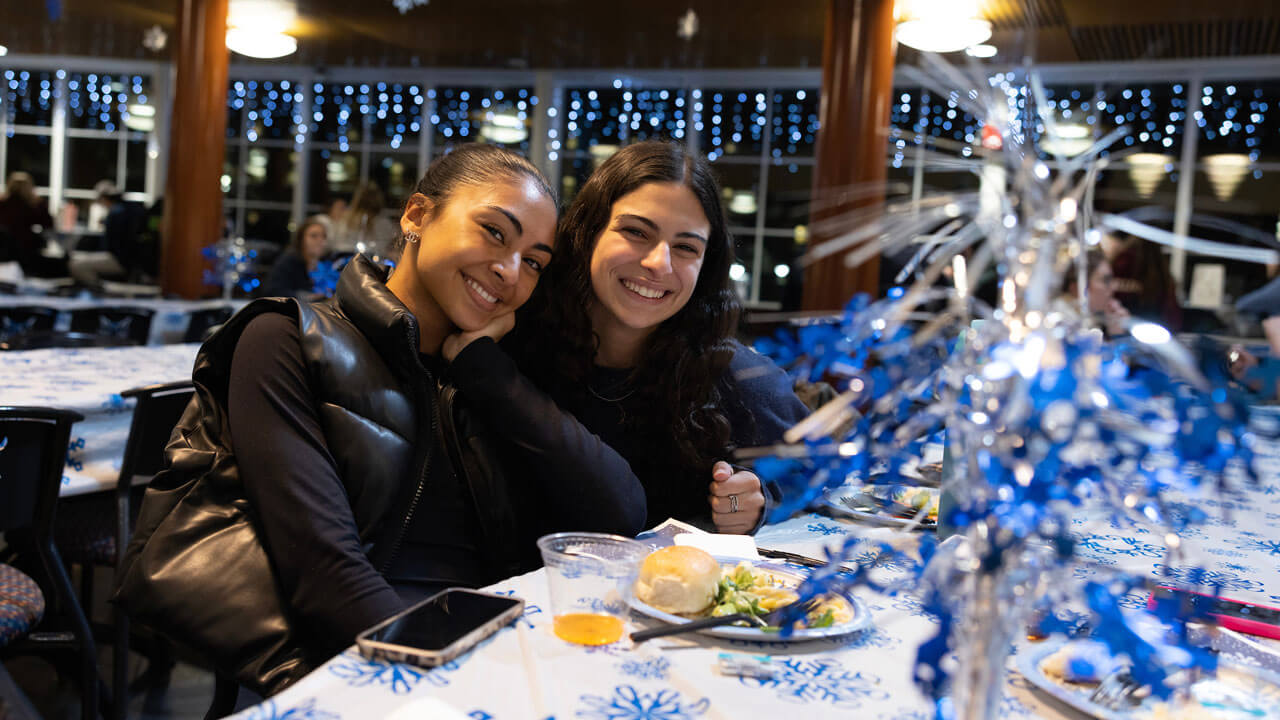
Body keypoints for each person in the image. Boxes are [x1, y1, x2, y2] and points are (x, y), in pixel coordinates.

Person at [120, 144, 646, 681]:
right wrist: (471, 680)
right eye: (493, 232)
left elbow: (619, 513)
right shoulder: (288, 339)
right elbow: (327, 580)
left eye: (533, 262)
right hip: (364, 662)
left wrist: (485, 370)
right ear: (417, 216)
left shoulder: (496, 368)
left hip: (493, 641)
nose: (510, 272)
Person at [510, 141, 810, 535]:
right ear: (587, 233)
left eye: (686, 247)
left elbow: (824, 474)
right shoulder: (515, 348)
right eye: (636, 232)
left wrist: (759, 502)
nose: (658, 263)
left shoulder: (738, 378)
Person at [1053, 248, 1130, 337]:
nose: (1112, 287)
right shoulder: (1062, 318)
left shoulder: (1089, 320)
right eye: (1105, 280)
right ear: (1077, 287)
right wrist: (1116, 335)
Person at [258, 216, 329, 300]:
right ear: (301, 239)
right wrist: (307, 296)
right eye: (313, 236)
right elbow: (272, 291)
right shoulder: (289, 261)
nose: (320, 240)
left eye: (323, 236)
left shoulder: (326, 263)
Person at [0, 171, 54, 273]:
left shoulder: (2, 203)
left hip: (5, 249)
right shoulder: (34, 205)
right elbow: (49, 224)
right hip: (26, 249)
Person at [330, 181, 397, 259]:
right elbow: (386, 247)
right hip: (368, 262)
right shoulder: (384, 222)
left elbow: (336, 243)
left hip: (345, 260)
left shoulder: (345, 218)